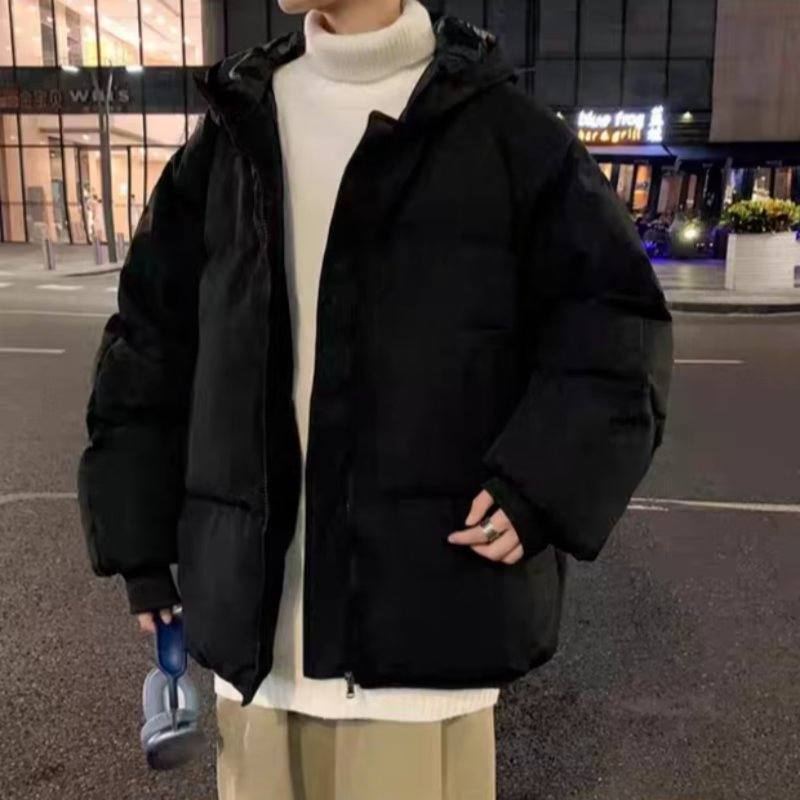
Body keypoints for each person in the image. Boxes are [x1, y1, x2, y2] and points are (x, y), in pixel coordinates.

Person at [76, 1, 673, 798]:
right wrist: (140, 543)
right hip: (258, 655)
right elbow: (152, 341)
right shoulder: (233, 131)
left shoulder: (505, 134)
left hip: (423, 644)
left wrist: (543, 484)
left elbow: (616, 325)